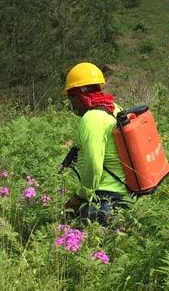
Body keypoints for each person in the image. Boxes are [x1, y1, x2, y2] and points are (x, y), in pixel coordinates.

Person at [61, 62, 132, 225]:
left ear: (79, 97)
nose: (71, 105)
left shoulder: (92, 119)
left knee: (85, 248)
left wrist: (79, 198)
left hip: (102, 200)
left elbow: (93, 165)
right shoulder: (114, 108)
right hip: (123, 195)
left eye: (70, 98)